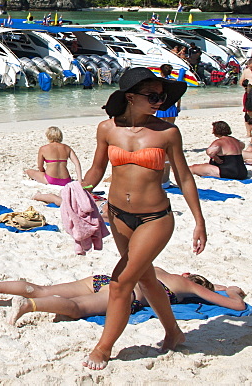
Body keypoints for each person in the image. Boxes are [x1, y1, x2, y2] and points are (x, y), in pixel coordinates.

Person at [79, 67, 205, 370]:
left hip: (155, 218)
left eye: (161, 97)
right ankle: (174, 332)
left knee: (121, 283)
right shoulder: (107, 129)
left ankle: (103, 348)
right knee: (146, 278)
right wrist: (79, 192)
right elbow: (97, 170)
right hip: (118, 216)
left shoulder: (167, 132)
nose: (159, 101)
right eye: (151, 96)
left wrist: (199, 221)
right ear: (130, 97)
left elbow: (185, 177)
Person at [0, 267, 246, 325]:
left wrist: (220, 286)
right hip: (126, 294)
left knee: (43, 287)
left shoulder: (163, 269)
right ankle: (30, 305)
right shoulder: (192, 289)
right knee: (75, 309)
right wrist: (228, 290)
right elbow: (236, 304)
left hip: (103, 279)